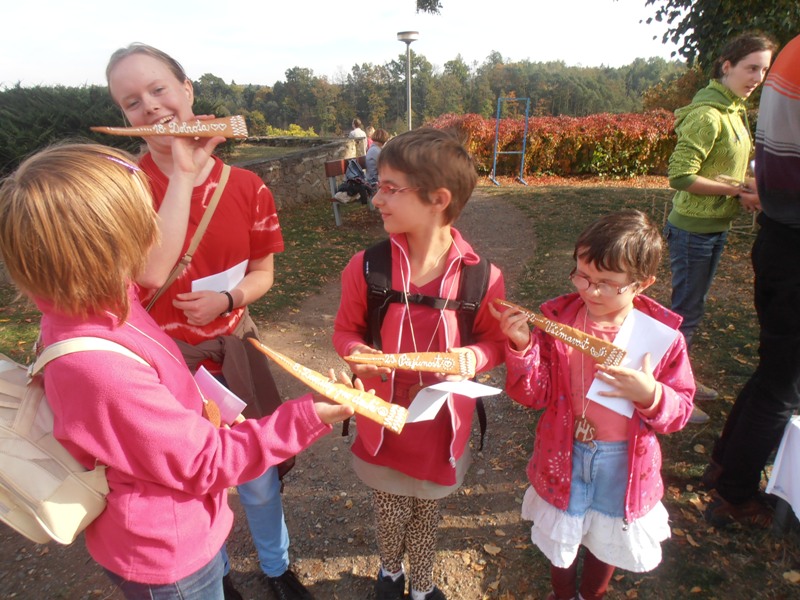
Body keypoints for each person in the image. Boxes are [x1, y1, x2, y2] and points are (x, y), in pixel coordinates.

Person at [0, 142, 354, 600]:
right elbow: (205, 462)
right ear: (105, 247)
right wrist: (309, 416)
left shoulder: (91, 299)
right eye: (141, 218)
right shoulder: (100, 367)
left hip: (170, 524)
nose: (155, 227)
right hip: (168, 556)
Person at [105, 43, 311, 600]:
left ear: (188, 90)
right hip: (160, 367)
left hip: (231, 353)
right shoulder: (119, 190)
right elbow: (136, 279)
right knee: (191, 483)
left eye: (158, 90)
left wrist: (231, 299)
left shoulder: (246, 187)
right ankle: (212, 573)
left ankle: (276, 566)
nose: (148, 107)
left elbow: (264, 272)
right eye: (131, 102)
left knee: (259, 480)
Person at [333, 128, 506, 600]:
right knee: (388, 507)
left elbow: (494, 342)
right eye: (377, 186)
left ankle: (423, 582)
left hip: (442, 426)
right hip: (383, 419)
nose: (375, 200)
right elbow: (346, 331)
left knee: (428, 511)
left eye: (390, 188)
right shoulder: (367, 268)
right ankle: (390, 574)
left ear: (438, 198)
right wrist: (356, 354)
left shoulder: (482, 277)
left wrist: (473, 356)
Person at [492, 210, 694, 600]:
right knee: (562, 533)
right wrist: (522, 347)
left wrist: (649, 395)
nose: (590, 291)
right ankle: (563, 594)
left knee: (607, 534)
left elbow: (680, 410)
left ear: (642, 284)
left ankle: (591, 595)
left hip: (624, 460)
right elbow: (534, 395)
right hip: (563, 449)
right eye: (581, 275)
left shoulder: (661, 339)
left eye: (606, 283)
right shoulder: (559, 323)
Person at [703, 34, 800, 528]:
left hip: (780, 235)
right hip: (793, 242)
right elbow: (684, 174)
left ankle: (724, 465)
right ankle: (735, 490)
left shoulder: (792, 52)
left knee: (774, 370)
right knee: (783, 382)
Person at [664, 32, 776, 421]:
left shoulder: (735, 109)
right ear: (726, 66)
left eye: (763, 70)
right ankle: (671, 391)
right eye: (750, 68)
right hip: (693, 229)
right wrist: (735, 192)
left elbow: (726, 166)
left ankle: (684, 379)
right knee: (685, 313)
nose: (757, 77)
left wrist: (744, 184)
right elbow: (680, 175)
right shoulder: (709, 114)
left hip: (714, 227)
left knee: (693, 309)